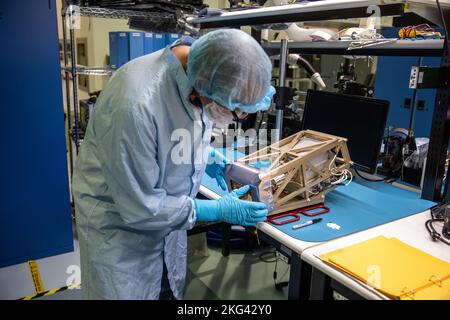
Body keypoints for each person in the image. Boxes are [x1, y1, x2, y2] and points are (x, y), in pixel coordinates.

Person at [72, 29, 275, 300]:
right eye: (232, 107)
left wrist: (208, 157)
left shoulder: (200, 73)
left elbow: (181, 128)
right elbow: (140, 207)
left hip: (165, 228)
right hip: (121, 237)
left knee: (167, 289)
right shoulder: (135, 105)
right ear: (204, 80)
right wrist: (218, 209)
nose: (235, 116)